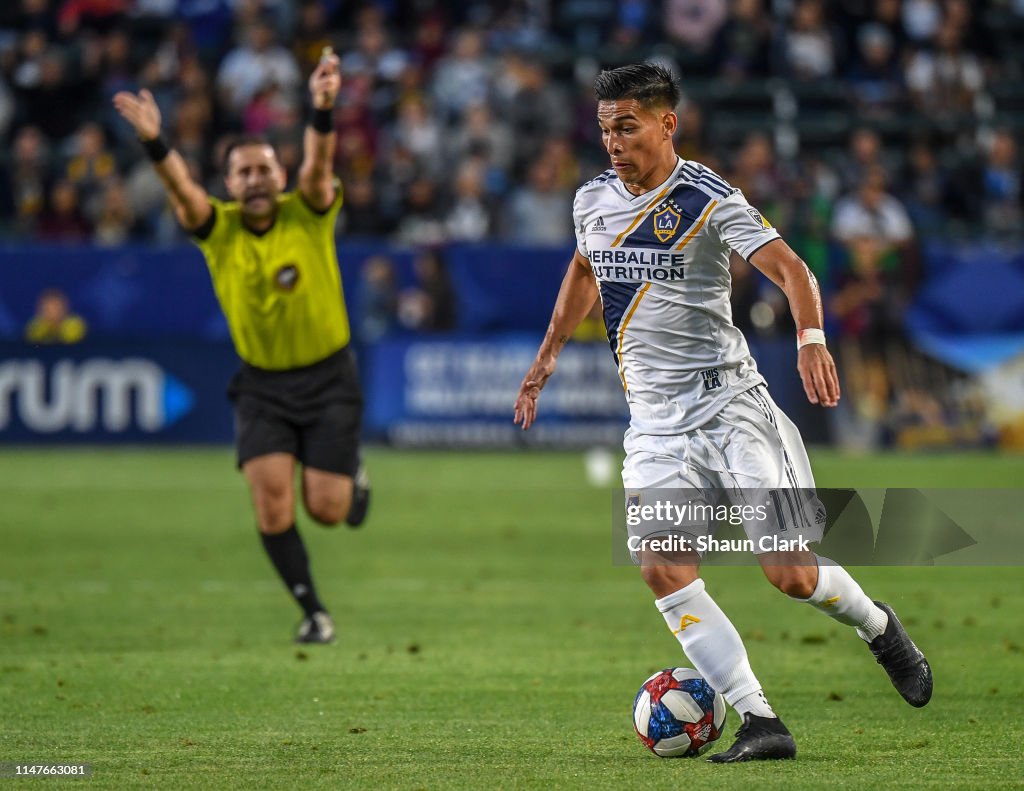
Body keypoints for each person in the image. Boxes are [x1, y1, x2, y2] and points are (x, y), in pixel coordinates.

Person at [513, 63, 931, 762]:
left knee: (790, 574)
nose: (612, 141)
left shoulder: (707, 196)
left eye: (627, 125)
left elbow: (793, 269)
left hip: (731, 406)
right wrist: (548, 352)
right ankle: (759, 720)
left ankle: (879, 625)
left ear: (666, 123)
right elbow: (586, 268)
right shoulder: (591, 201)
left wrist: (811, 340)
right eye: (605, 128)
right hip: (654, 424)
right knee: (662, 566)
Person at [113, 49, 370, 645]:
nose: (256, 180)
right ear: (229, 184)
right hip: (263, 386)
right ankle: (313, 612)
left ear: (279, 177)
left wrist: (322, 107)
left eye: (264, 170)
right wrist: (156, 143)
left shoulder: (306, 211)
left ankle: (352, 475)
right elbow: (181, 187)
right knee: (272, 507)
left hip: (330, 378)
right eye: (244, 173)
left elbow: (320, 160)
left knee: (328, 511)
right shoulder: (218, 228)